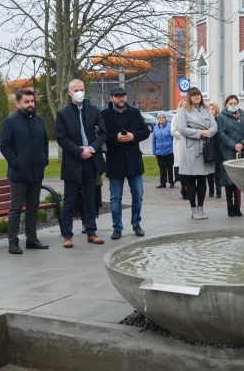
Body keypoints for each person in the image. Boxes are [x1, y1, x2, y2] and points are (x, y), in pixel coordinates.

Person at [55, 79, 106, 247]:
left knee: (90, 199)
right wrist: (79, 151)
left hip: (91, 160)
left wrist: (91, 148)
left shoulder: (93, 110)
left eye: (82, 89)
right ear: (69, 92)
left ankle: (91, 232)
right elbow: (62, 138)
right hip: (73, 161)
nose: (79, 92)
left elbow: (102, 133)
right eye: (76, 89)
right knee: (69, 200)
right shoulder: (63, 114)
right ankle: (67, 235)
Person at [0, 87, 49, 255]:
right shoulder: (11, 121)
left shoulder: (39, 121)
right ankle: (13, 242)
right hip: (19, 174)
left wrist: (44, 161)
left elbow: (45, 143)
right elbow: (4, 145)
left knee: (33, 208)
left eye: (32, 101)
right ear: (18, 103)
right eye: (26, 102)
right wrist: (16, 163)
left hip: (36, 172)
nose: (30, 104)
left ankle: (32, 239)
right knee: (16, 209)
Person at [102, 86, 150, 240]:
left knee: (138, 194)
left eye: (123, 96)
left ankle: (136, 224)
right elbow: (101, 136)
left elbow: (145, 131)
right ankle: (117, 227)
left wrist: (133, 136)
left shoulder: (134, 112)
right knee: (115, 198)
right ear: (111, 98)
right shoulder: (104, 115)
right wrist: (115, 138)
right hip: (115, 161)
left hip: (134, 161)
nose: (120, 99)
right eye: (117, 96)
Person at [175, 87, 217, 220]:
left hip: (204, 148)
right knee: (191, 180)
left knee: (202, 180)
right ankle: (193, 208)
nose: (197, 97)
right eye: (193, 95)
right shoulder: (184, 111)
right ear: (189, 97)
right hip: (191, 149)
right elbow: (181, 129)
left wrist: (208, 132)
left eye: (198, 94)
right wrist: (200, 133)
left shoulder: (207, 110)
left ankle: (201, 208)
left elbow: (215, 126)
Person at [216, 94, 244, 216]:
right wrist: (233, 145)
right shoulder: (222, 117)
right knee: (229, 180)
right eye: (230, 103)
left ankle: (238, 206)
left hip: (243, 151)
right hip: (228, 151)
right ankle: (230, 206)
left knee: (239, 180)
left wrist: (242, 144)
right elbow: (221, 134)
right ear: (226, 105)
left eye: (234, 103)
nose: (233, 105)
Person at [152, 114, 175, 189]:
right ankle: (163, 182)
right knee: (162, 167)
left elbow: (173, 138)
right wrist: (154, 151)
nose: (161, 119)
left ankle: (171, 182)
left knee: (169, 167)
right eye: (160, 117)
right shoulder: (155, 127)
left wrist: (173, 149)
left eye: (163, 117)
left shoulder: (170, 126)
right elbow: (153, 140)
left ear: (165, 118)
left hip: (169, 151)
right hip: (159, 151)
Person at [206, 102, 222, 198]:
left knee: (217, 170)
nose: (211, 111)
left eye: (212, 109)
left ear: (216, 110)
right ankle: (211, 190)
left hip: (217, 147)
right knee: (209, 171)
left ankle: (218, 191)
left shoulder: (218, 120)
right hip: (208, 147)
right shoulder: (206, 121)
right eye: (209, 109)